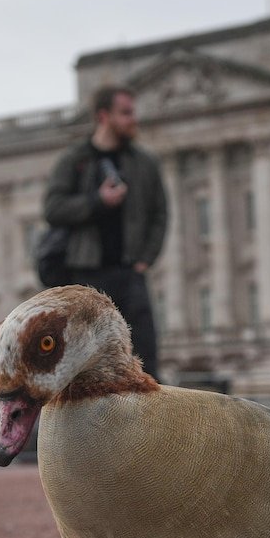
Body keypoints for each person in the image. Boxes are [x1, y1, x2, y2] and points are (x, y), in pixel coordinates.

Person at [43, 85, 168, 381]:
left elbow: (160, 214)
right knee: (85, 365)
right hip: (85, 274)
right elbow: (53, 209)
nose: (133, 119)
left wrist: (146, 259)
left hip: (129, 272)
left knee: (145, 363)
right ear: (103, 116)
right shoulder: (75, 160)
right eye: (125, 113)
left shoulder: (144, 162)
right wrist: (97, 202)